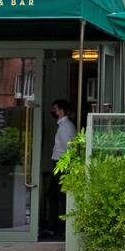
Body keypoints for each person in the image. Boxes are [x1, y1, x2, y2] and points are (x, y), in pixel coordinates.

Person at [40, 99, 75, 239]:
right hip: (60, 164)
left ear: (62, 111)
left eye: (55, 109)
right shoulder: (64, 125)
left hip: (62, 165)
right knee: (54, 196)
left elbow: (70, 149)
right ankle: (54, 227)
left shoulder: (66, 127)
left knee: (58, 196)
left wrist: (64, 167)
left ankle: (57, 228)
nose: (53, 111)